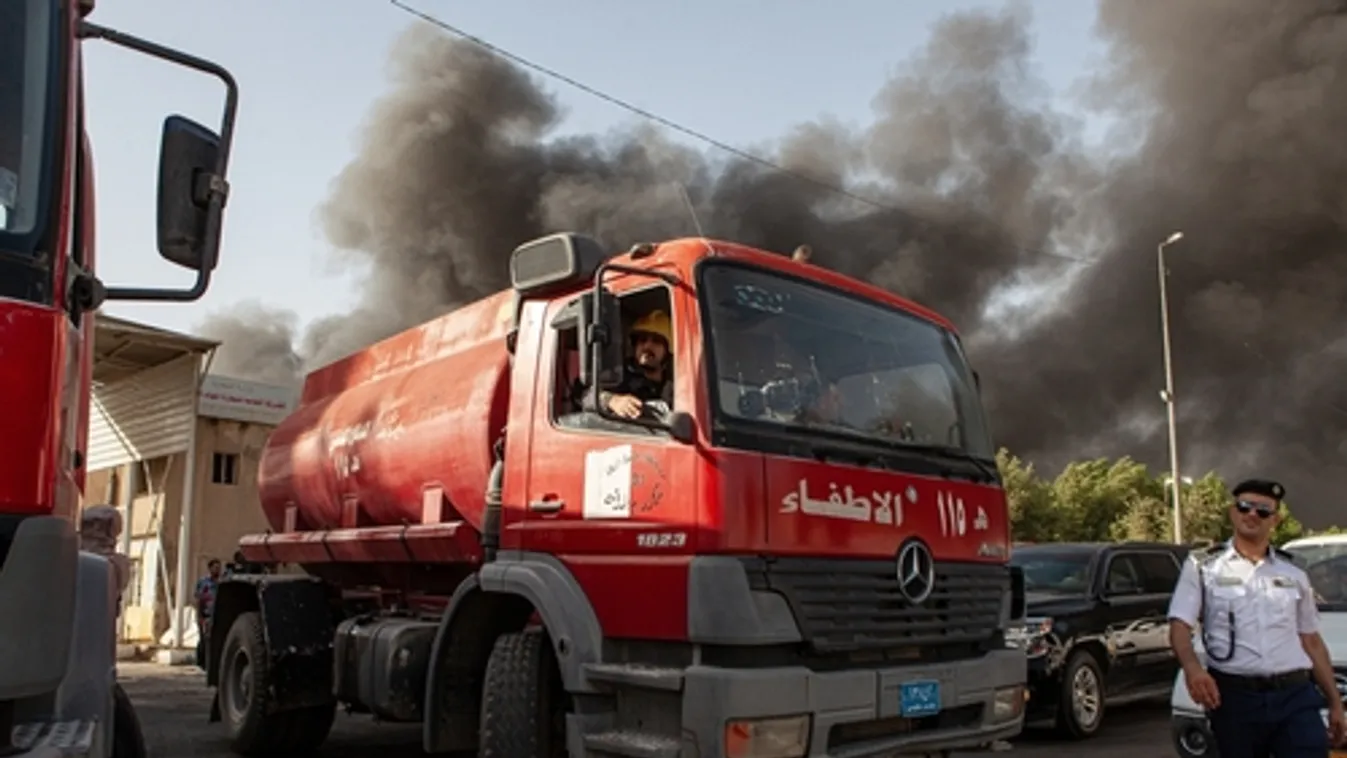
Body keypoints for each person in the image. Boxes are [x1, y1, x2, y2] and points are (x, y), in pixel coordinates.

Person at [1167, 478, 1347, 757]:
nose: (1252, 514)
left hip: (1295, 695)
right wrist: (1192, 669)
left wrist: (1335, 703)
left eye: (1263, 510)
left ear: (1274, 519)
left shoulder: (1293, 573)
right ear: (1232, 511)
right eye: (1245, 507)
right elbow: (1179, 626)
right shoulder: (1203, 568)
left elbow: (1311, 640)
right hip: (1236, 698)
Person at [594, 309, 674, 419]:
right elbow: (584, 394)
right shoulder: (617, 374)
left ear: (668, 352)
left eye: (656, 341)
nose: (647, 346)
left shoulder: (676, 386)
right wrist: (611, 400)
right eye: (642, 340)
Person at [194, 558, 222, 671]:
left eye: (219, 568)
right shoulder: (204, 582)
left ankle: (211, 663)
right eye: (215, 568)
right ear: (210, 569)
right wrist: (199, 616)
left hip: (217, 615)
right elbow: (199, 600)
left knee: (214, 640)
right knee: (204, 640)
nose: (218, 570)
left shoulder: (221, 582)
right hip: (205, 615)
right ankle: (201, 662)